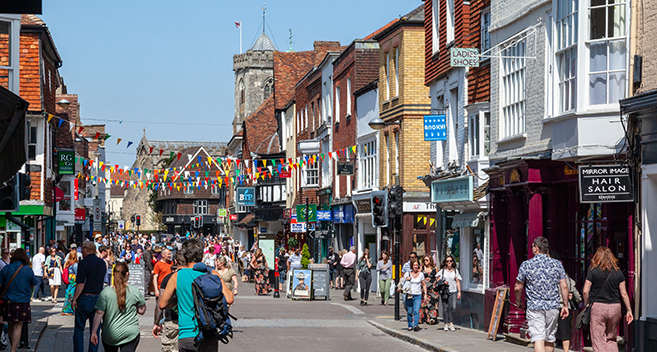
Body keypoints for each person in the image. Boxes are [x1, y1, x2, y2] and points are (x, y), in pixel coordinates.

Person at [159, 238, 234, 352]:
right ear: (201, 256)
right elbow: (229, 299)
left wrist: (179, 299)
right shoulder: (211, 273)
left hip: (187, 333)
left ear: (184, 256)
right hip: (209, 332)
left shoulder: (177, 276)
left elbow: (162, 304)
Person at [514, 237, 570, 352]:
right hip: (553, 306)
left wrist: (518, 301)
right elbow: (564, 286)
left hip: (535, 307)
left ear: (536, 248)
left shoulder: (526, 264)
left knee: (538, 338)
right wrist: (565, 305)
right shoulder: (557, 264)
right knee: (549, 338)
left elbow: (518, 287)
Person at [582, 246, 633, 352]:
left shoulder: (593, 271)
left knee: (598, 339)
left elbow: (585, 291)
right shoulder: (618, 272)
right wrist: (629, 310)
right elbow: (623, 293)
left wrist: (587, 303)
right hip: (615, 307)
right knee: (611, 339)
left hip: (598, 307)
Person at [90, 262, 146, 352]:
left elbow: (99, 312)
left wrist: (94, 332)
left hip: (111, 335)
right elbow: (142, 310)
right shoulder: (135, 291)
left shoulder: (106, 292)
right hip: (130, 333)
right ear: (127, 274)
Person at [72, 241, 107, 352]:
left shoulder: (83, 263)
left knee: (79, 329)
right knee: (95, 329)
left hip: (84, 298)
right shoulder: (102, 263)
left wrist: (74, 299)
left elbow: (81, 284)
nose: (81, 251)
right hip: (97, 297)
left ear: (87, 249)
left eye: (82, 248)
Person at [0, 249, 36, 352]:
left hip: (8, 301)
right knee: (18, 326)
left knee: (11, 325)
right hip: (22, 300)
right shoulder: (27, 269)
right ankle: (13, 349)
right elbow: (33, 284)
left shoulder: (6, 269)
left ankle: (13, 348)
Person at [152, 251, 185, 352]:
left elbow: (160, 304)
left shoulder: (169, 278)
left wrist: (157, 323)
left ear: (175, 261)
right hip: (189, 321)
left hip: (172, 320)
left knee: (170, 348)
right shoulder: (194, 276)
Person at [549, 251, 581, 352]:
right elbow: (578, 297)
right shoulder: (568, 278)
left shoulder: (550, 274)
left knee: (550, 332)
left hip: (554, 306)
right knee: (565, 333)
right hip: (564, 307)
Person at [437, 255, 462, 331]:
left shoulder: (455, 271)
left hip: (453, 291)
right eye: (447, 261)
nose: (449, 262)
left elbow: (458, 281)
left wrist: (459, 291)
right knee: (445, 308)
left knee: (453, 307)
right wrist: (443, 281)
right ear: (445, 262)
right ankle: (446, 324)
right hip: (445, 292)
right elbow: (437, 279)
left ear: (453, 262)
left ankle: (451, 323)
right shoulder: (443, 271)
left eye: (450, 261)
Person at [401, 258, 426, 332]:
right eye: (414, 265)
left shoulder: (421, 274)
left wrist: (425, 294)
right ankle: (410, 325)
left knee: (416, 311)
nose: (415, 266)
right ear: (412, 266)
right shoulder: (407, 273)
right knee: (409, 311)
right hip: (409, 294)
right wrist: (406, 279)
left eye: (417, 265)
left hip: (418, 295)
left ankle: (415, 325)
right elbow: (401, 281)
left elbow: (424, 284)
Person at [420, 255, 439, 325]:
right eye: (424, 260)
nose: (425, 261)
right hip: (425, 289)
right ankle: (427, 318)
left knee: (433, 304)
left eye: (427, 260)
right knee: (425, 304)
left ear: (430, 260)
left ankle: (432, 318)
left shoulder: (435, 268)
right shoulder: (422, 268)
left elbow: (438, 277)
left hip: (433, 290)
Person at [62, 250, 79, 315]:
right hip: (73, 281)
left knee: (68, 294)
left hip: (69, 280)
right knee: (72, 295)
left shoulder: (68, 264)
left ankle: (65, 309)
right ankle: (69, 310)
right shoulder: (75, 264)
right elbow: (77, 273)